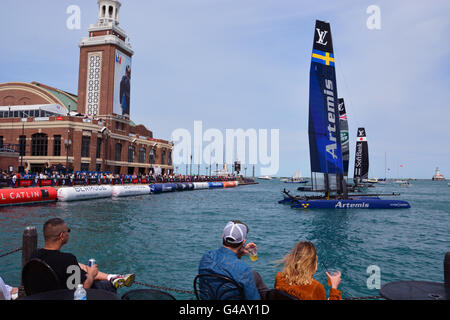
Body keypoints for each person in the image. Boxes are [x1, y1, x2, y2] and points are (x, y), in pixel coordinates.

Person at [30, 218, 135, 293]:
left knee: (79, 266)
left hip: (44, 295)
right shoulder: (67, 259)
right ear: (62, 236)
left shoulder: (35, 256)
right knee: (107, 286)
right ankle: (111, 280)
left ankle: (112, 277)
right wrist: (91, 276)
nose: (68, 233)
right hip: (64, 296)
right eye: (68, 231)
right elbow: (81, 291)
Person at [198, 220, 269, 300]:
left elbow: (225, 266)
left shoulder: (206, 257)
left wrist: (238, 254)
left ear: (223, 236)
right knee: (256, 277)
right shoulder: (244, 270)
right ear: (243, 242)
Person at [274, 241, 342, 300]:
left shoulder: (279, 278)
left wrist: (289, 263)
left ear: (292, 258)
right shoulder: (316, 288)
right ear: (313, 263)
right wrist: (334, 287)